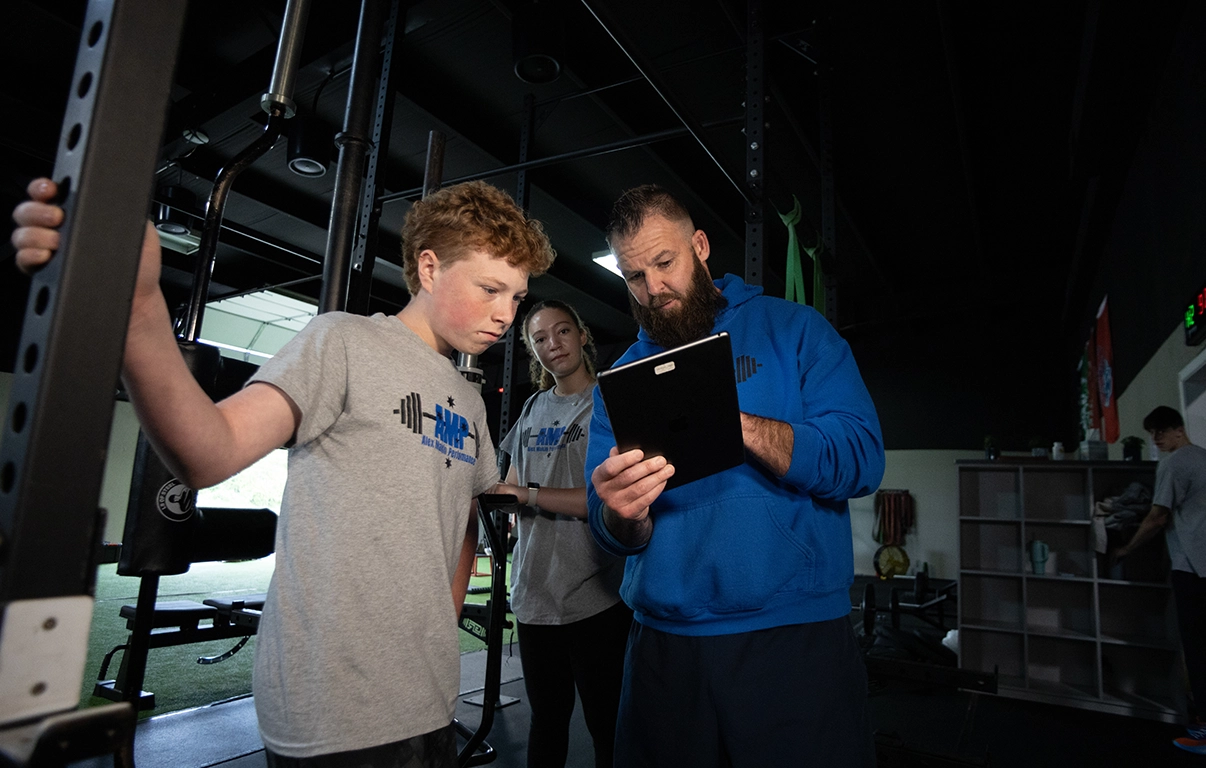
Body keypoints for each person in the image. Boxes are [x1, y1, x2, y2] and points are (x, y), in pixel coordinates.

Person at [12, 178, 555, 767]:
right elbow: (210, 451)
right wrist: (141, 306)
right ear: (429, 268)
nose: (506, 315)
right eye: (490, 289)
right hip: (333, 707)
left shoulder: (468, 401)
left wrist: (439, 631)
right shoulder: (343, 342)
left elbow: (463, 521)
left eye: (517, 298)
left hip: (427, 696)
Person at [584, 184, 885, 767]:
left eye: (664, 263)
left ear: (699, 246)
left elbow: (862, 456)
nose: (653, 289)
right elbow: (608, 530)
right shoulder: (618, 383)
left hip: (794, 636)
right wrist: (622, 515)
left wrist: (734, 423)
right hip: (664, 648)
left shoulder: (795, 329)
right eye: (634, 276)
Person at [493, 299, 630, 768]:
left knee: (606, 723)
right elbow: (501, 486)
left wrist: (528, 495)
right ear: (533, 351)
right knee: (546, 723)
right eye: (541, 339)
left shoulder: (609, 405)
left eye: (563, 331)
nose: (554, 345)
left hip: (595, 597)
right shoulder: (532, 408)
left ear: (582, 335)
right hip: (534, 597)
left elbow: (604, 500)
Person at [1111, 405, 1206, 756]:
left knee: (1196, 648)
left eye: (1163, 431)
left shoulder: (1176, 462)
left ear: (1179, 430)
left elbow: (1157, 516)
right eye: (1153, 433)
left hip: (1193, 568)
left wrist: (1127, 549)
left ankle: (1205, 729)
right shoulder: (1202, 458)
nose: (1157, 438)